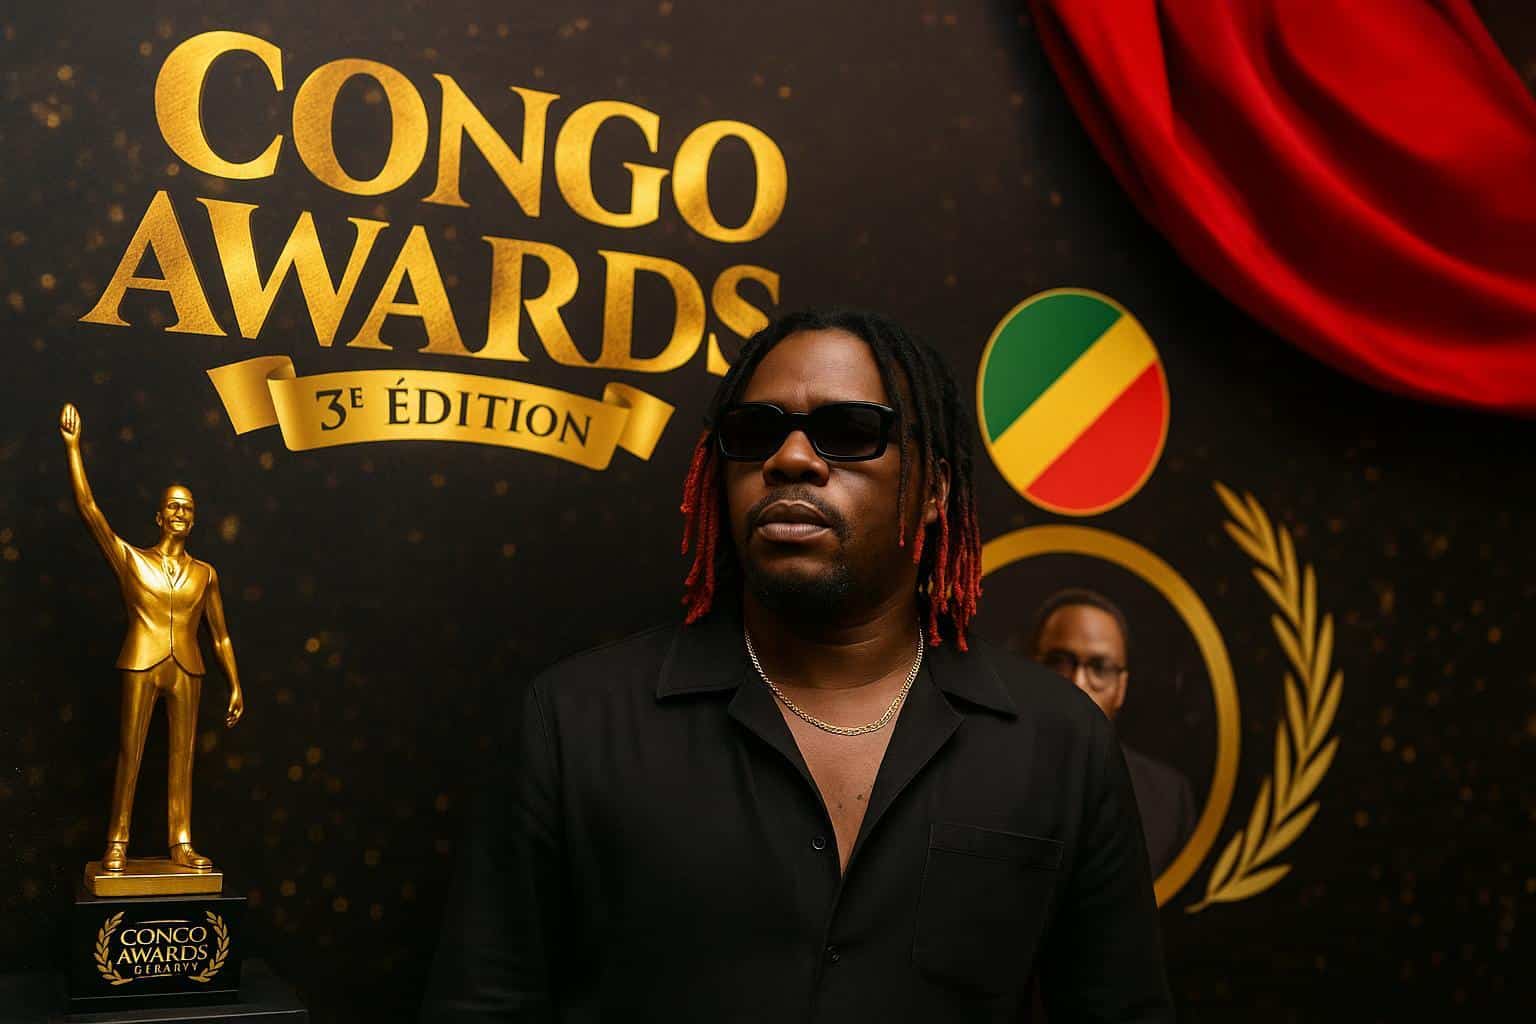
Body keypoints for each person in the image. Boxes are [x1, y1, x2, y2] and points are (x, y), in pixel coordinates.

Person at [423, 311, 1172, 1021]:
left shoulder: (1058, 743)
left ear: (935, 490)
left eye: (849, 432)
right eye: (755, 433)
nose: (789, 460)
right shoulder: (576, 724)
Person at [60, 403, 244, 873]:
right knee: (131, 752)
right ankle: (116, 841)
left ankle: (181, 842)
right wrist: (74, 448)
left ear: (193, 520)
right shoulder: (132, 560)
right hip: (141, 661)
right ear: (159, 516)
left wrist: (235, 683)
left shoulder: (206, 574)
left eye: (188, 507)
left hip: (189, 668)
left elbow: (221, 636)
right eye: (173, 506)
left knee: (183, 758)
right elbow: (90, 510)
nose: (180, 512)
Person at [1029, 588, 1196, 877]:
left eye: (1100, 667)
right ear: (1031, 669)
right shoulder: (984, 775)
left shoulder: (1171, 799)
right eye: (1059, 661)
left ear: (1121, 688)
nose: (1078, 683)